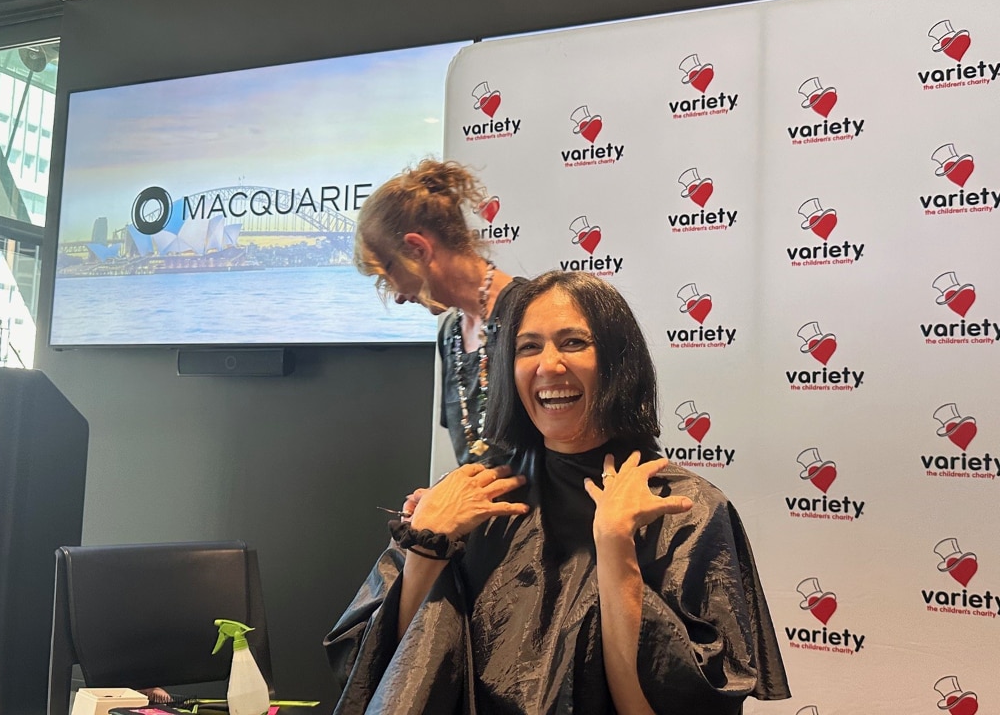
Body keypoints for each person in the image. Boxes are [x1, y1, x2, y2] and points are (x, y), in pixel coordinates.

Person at [325, 271, 789, 715]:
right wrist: (426, 546)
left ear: (616, 361)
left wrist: (615, 549)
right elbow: (380, 679)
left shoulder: (687, 511)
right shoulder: (471, 497)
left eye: (573, 342)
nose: (549, 365)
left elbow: (647, 707)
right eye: (529, 348)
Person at [355, 159, 522, 465]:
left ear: (418, 249)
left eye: (386, 275)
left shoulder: (530, 314)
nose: (398, 298)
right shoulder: (451, 333)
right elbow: (475, 462)